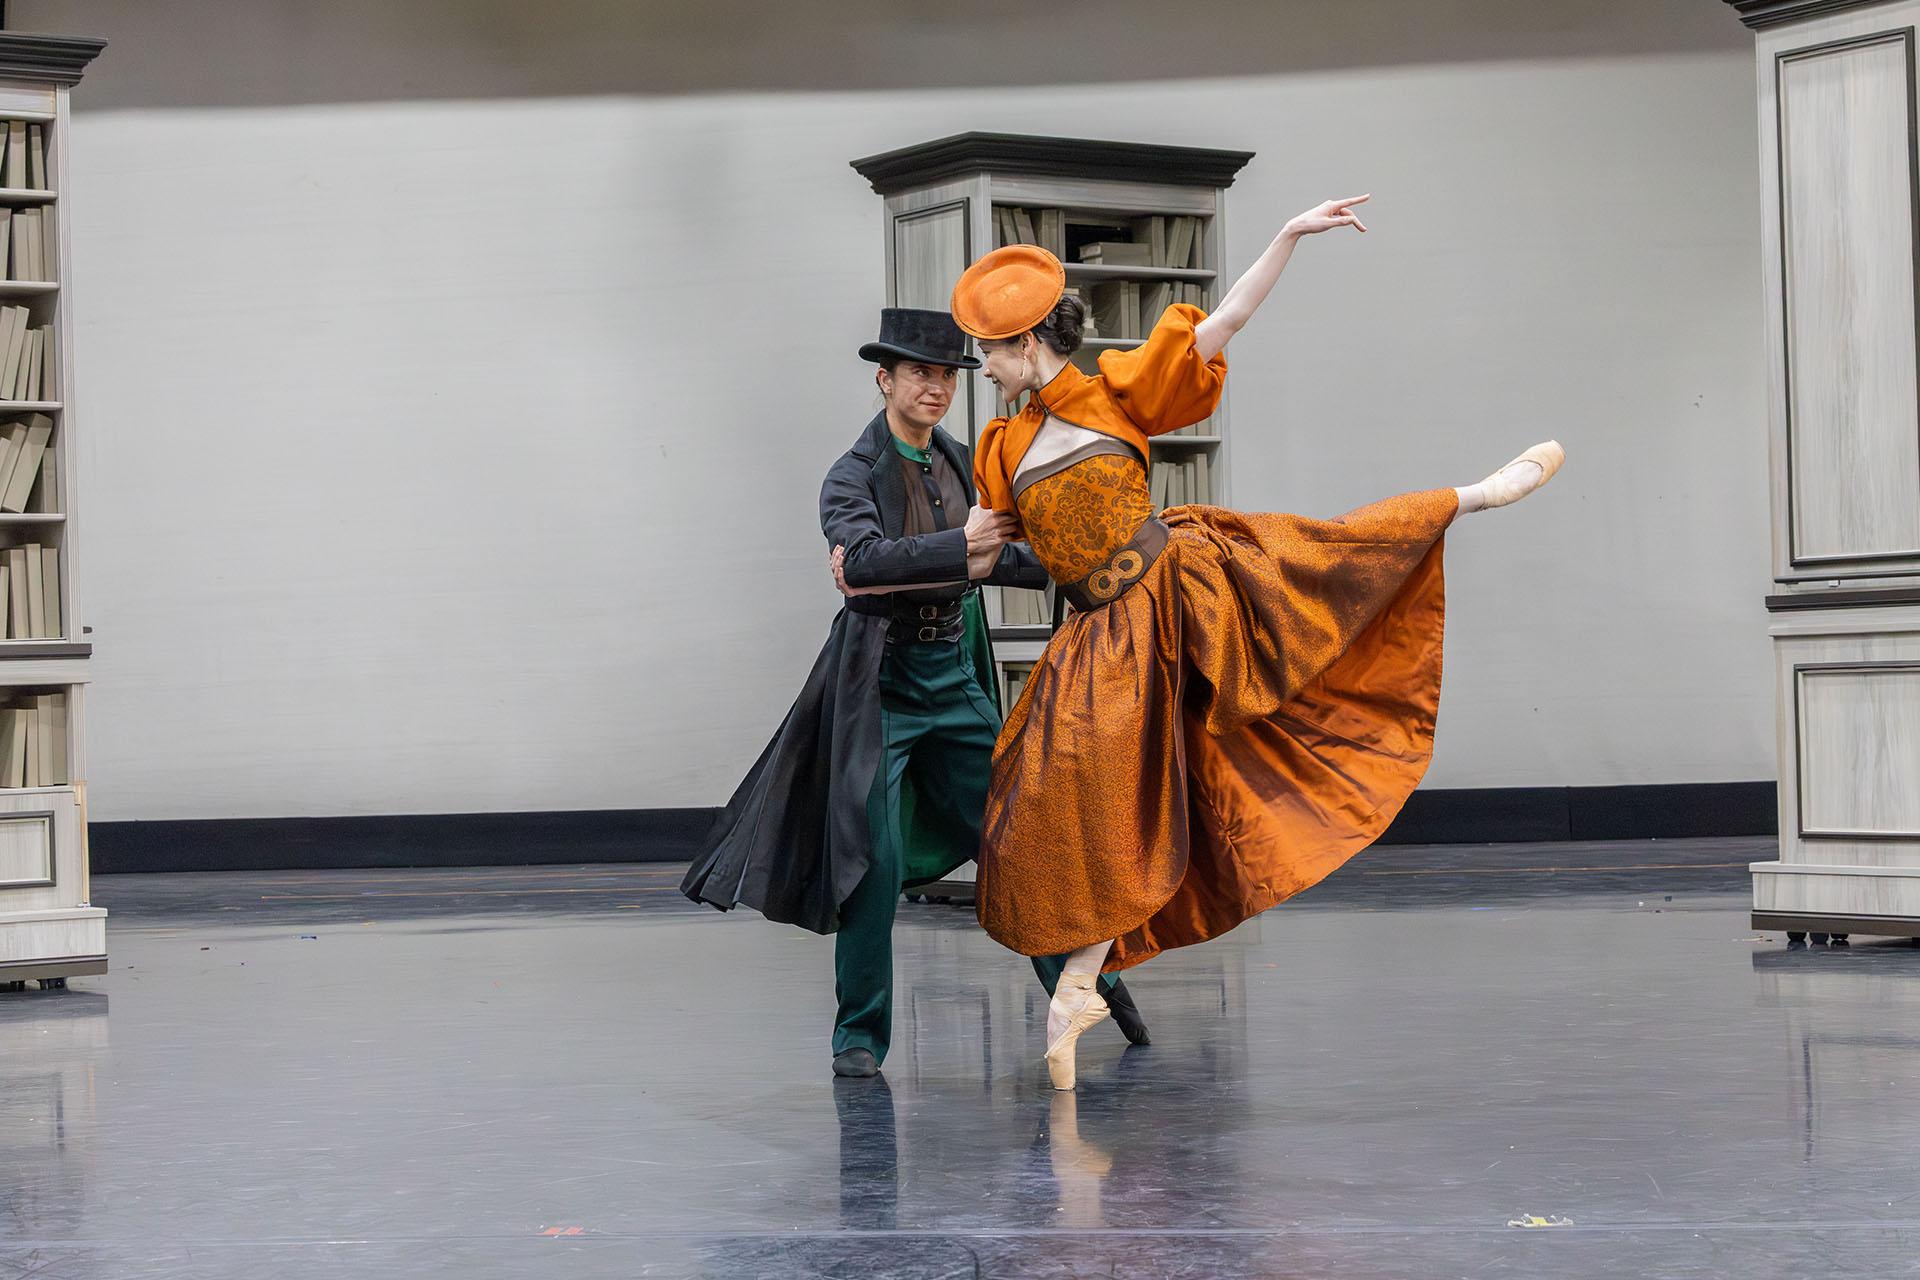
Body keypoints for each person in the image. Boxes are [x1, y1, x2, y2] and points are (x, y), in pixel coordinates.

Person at [950, 195, 1565, 1088]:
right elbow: (994, 546)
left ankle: (1466, 497)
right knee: (1056, 799)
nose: (986, 372)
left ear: (1028, 343)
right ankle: (1081, 981)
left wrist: (1286, 237)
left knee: (1326, 555)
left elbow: (1226, 317)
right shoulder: (1001, 446)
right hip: (1097, 636)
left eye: (992, 354)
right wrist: (961, 549)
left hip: (1176, 587)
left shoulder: (1117, 391)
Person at [682, 307, 1149, 1079]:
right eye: (919, 374)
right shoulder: (852, 474)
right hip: (882, 692)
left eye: (946, 375)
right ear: (885, 380)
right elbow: (861, 563)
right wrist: (954, 551)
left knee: (1018, 845)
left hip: (954, 682)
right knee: (871, 861)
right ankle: (859, 1035)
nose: (935, 387)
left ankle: (1088, 983)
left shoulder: (964, 462)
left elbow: (997, 558)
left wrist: (1096, 567)